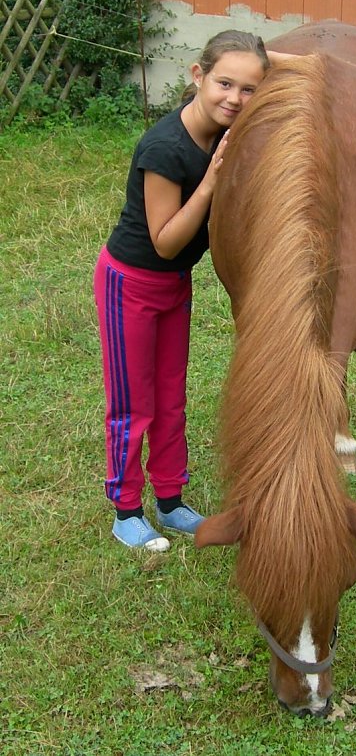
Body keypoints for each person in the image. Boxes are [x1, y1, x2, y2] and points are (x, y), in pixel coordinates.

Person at [94, 30, 292, 551]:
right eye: (224, 83)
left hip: (175, 287)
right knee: (133, 403)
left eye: (250, 89)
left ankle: (171, 501)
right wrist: (210, 185)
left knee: (170, 397)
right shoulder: (165, 147)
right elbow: (164, 242)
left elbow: (271, 64)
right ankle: (126, 510)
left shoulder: (224, 136)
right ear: (197, 76)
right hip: (130, 284)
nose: (235, 98)